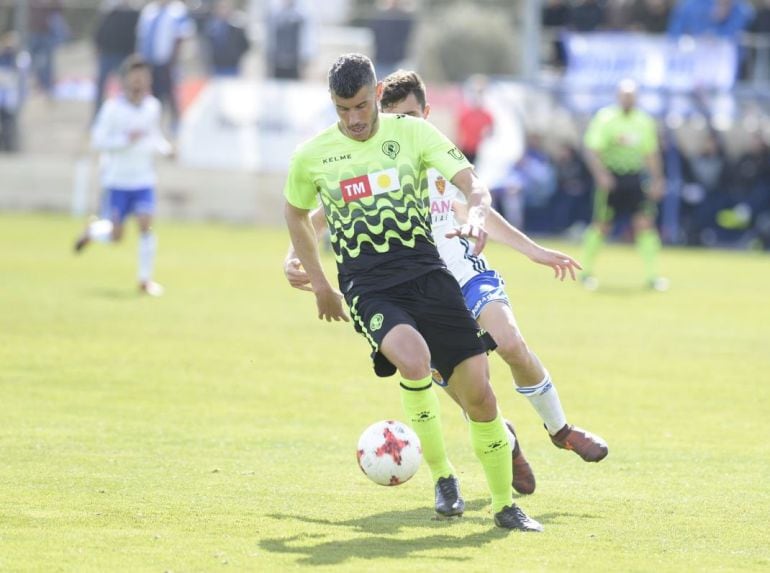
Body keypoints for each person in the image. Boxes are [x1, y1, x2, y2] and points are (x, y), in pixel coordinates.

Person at [285, 69, 608, 483]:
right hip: (413, 288)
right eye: (399, 116)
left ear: (427, 112)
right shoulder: (380, 159)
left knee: (510, 343)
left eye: (415, 114)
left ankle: (560, 428)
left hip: (461, 268)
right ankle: (504, 441)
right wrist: (291, 256)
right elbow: (324, 212)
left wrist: (534, 252)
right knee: (465, 388)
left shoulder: (436, 155)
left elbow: (479, 205)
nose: (409, 123)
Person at [73, 55, 172, 297]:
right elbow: (98, 140)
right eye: (135, 78)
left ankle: (145, 281)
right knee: (116, 236)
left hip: (143, 179)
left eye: (143, 78)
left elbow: (154, 136)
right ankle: (93, 231)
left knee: (145, 224)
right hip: (117, 180)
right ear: (125, 80)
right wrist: (125, 140)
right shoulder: (112, 108)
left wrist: (167, 149)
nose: (139, 83)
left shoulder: (152, 106)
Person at [580, 79, 667, 291]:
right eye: (625, 96)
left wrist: (657, 179)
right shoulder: (606, 118)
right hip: (612, 179)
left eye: (632, 96)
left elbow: (651, 153)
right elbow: (591, 150)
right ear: (618, 97)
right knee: (602, 225)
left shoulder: (643, 121)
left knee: (645, 224)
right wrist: (601, 174)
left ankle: (652, 276)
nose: (628, 99)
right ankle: (586, 272)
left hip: (635, 178)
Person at [136, 0, 195, 134]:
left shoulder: (178, 11)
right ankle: (154, 125)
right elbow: (142, 36)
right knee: (152, 96)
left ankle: (176, 125)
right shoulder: (149, 10)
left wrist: (173, 60)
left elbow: (182, 36)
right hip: (149, 62)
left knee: (170, 94)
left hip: (168, 62)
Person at [93, 0, 141, 118]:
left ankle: (124, 115)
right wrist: (98, 46)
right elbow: (100, 30)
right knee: (101, 86)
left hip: (123, 55)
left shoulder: (134, 12)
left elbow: (136, 34)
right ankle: (97, 115)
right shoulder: (109, 9)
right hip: (107, 53)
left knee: (124, 86)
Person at [202, 0, 251, 77]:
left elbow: (245, 45)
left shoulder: (236, 27)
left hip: (232, 67)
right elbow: (206, 45)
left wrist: (236, 56)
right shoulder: (211, 28)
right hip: (215, 67)